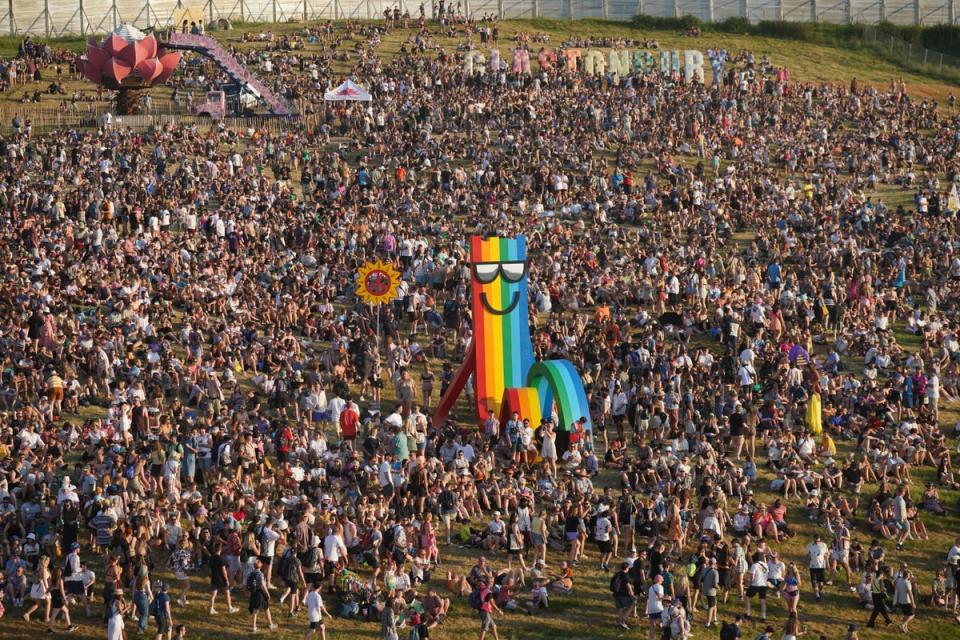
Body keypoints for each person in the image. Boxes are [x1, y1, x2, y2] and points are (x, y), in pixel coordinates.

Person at [247, 558, 277, 633]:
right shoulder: (260, 574)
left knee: (265, 607)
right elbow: (263, 585)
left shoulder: (251, 573)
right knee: (257, 610)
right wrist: (267, 593)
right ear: (260, 566)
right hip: (260, 593)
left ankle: (270, 624)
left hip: (253, 593)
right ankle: (254, 627)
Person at [611, 561, 635, 630]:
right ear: (627, 568)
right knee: (631, 605)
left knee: (620, 608)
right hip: (623, 594)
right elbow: (628, 585)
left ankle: (620, 622)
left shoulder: (617, 574)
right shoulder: (625, 575)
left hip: (616, 594)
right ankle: (623, 620)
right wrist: (632, 593)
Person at [806, 534, 829, 601]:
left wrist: (827, 564)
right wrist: (805, 565)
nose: (817, 542)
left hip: (821, 566)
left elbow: (826, 555)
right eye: (816, 541)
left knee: (821, 583)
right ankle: (817, 596)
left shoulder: (823, 545)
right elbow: (807, 556)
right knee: (814, 581)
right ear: (814, 539)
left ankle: (819, 591)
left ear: (820, 539)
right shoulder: (809, 546)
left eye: (818, 541)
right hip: (813, 566)